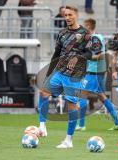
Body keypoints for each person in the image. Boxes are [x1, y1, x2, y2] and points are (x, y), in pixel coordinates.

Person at [38, 5, 92, 149]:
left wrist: (77, 58)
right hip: (60, 71)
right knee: (43, 92)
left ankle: (68, 140)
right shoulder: (62, 33)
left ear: (76, 15)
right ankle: (42, 126)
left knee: (71, 106)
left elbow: (90, 54)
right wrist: (48, 73)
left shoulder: (85, 33)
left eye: (70, 15)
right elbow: (56, 54)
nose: (67, 17)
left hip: (75, 75)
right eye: (65, 15)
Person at [75, 18, 118, 131]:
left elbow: (101, 54)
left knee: (82, 94)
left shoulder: (95, 38)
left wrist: (88, 57)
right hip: (97, 72)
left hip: (94, 72)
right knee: (101, 96)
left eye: (85, 26)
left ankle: (81, 125)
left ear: (89, 26)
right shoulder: (96, 37)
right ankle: (117, 122)